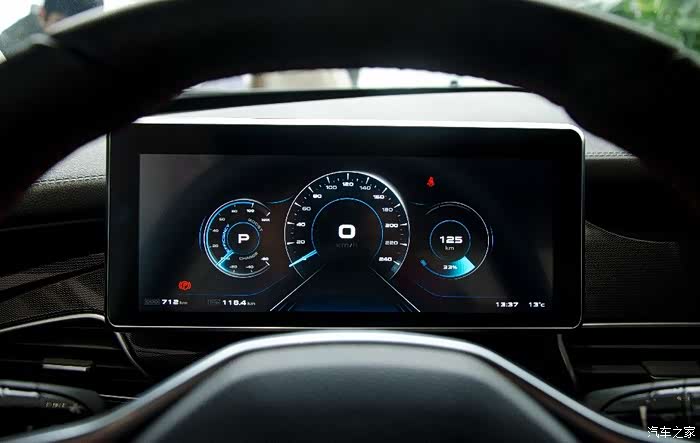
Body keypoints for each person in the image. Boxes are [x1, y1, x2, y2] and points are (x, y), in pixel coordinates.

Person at [0, 0, 103, 58]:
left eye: (83, 26)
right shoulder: (10, 47)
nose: (72, 34)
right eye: (62, 25)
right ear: (42, 14)